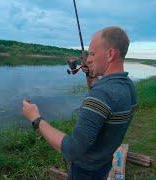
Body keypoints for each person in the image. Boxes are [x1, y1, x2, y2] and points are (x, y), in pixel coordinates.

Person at [22, 26, 137, 180]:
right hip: (104, 163)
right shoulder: (128, 86)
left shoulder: (102, 94)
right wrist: (91, 75)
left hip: (85, 171)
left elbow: (72, 149)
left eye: (92, 53)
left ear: (110, 54)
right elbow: (103, 110)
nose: (88, 59)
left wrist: (36, 119)